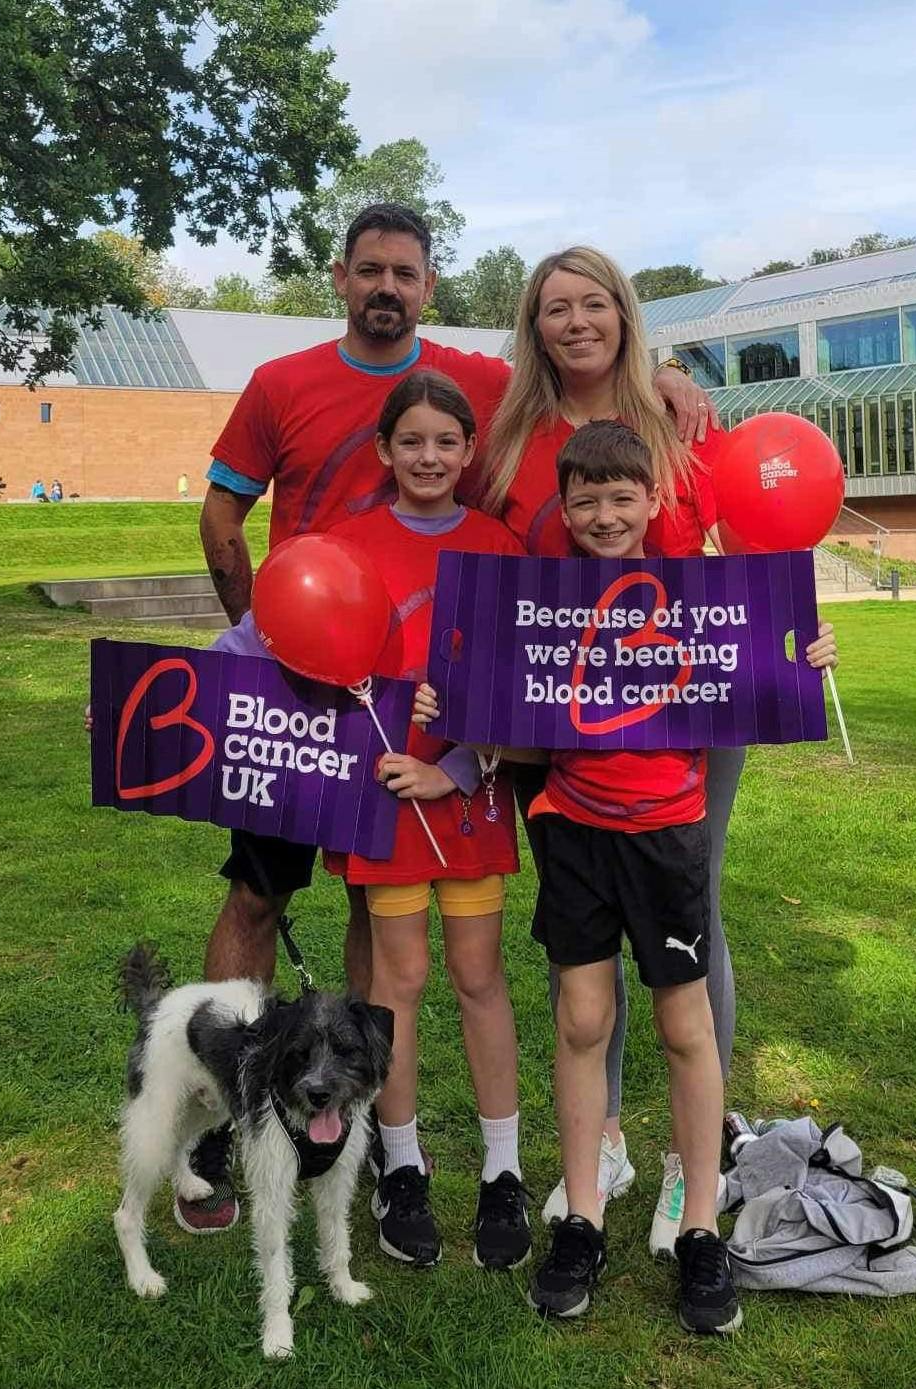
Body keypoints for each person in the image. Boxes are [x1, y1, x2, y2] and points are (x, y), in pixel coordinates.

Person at [188, 206, 714, 1232]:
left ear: (430, 286)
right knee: (266, 904)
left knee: (427, 956)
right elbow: (222, 517)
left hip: (441, 737)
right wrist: (246, 664)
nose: (387, 286)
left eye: (407, 273)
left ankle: (417, 1144)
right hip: (307, 687)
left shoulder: (478, 387)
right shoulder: (281, 384)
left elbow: (581, 378)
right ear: (340, 278)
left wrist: (668, 372)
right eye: (370, 270)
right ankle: (246, 1116)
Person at [478, 246, 838, 1254]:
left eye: (596, 303)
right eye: (556, 307)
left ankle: (693, 1159)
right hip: (557, 708)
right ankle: (606, 1148)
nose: (577, 322)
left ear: (625, 315)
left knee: (690, 903)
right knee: (579, 926)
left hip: (687, 709)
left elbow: (743, 561)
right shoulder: (505, 432)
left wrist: (791, 645)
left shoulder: (683, 417)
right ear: (532, 323)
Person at [522, 420, 739, 1332]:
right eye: (586, 499)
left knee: (683, 1023)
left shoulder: (693, 595)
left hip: (666, 831)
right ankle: (582, 1213)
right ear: (562, 507)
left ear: (654, 501)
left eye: (621, 497)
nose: (604, 515)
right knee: (580, 1017)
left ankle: (698, 1227)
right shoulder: (543, 603)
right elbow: (501, 711)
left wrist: (804, 654)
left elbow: (759, 661)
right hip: (571, 828)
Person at [325, 371, 528, 1271]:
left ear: (469, 450)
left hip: (468, 797)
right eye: (411, 441)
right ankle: (399, 1165)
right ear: (383, 450)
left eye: (447, 441)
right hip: (383, 798)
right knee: (395, 984)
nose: (429, 457)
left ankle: (502, 1168)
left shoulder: (500, 546)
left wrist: (453, 769)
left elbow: (530, 687)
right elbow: (270, 642)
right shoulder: (348, 545)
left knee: (478, 977)